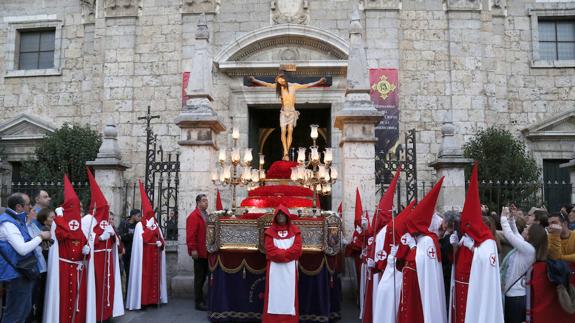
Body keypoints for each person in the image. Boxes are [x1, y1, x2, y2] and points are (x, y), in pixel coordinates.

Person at [449, 163, 504, 323]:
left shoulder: (488, 241)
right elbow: (455, 260)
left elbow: (486, 262)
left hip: (477, 288)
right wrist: (455, 246)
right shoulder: (470, 238)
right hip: (462, 283)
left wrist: (472, 247)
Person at [43, 175, 96, 323]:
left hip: (79, 269)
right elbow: (63, 235)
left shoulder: (83, 226)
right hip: (63, 269)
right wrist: (60, 218)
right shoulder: (58, 224)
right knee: (64, 298)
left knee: (79, 301)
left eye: (78, 208)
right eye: (73, 207)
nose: (77, 211)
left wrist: (88, 250)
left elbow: (85, 243)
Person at [397, 178, 446, 323]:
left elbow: (420, 265)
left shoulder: (428, 241)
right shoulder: (423, 240)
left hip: (421, 290)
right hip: (416, 288)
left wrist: (413, 248)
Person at [249, 72, 326, 160]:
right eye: (279, 82)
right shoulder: (280, 88)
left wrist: (319, 82)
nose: (281, 82)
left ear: (284, 79)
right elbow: (267, 84)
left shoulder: (293, 86)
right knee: (283, 131)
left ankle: (286, 152)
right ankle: (286, 152)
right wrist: (255, 80)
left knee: (290, 130)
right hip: (283, 113)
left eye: (281, 80)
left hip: (292, 112)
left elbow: (307, 85)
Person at [0, 193, 51, 323]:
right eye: (28, 204)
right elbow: (22, 249)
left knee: (24, 312)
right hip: (17, 273)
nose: (30, 207)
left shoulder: (16, 221)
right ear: (18, 207)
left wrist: (38, 241)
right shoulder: (8, 223)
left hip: (22, 272)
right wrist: (41, 237)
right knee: (15, 314)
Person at [85, 169, 124, 321]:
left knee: (108, 286)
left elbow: (116, 242)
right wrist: (100, 237)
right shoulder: (88, 221)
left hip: (108, 258)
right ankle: (96, 314)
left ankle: (107, 313)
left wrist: (113, 235)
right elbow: (85, 240)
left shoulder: (106, 222)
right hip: (96, 259)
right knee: (97, 287)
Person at [500, 206, 548, 323]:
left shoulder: (528, 249)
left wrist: (503, 218)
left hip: (516, 297)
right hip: (514, 295)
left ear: (533, 234)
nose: (525, 229)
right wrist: (511, 219)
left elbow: (510, 236)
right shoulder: (528, 247)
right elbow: (516, 234)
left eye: (528, 228)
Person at [126, 180, 167, 310]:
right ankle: (143, 301)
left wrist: (161, 243)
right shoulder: (139, 225)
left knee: (155, 278)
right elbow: (142, 240)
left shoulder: (155, 224)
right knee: (145, 278)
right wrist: (149, 230)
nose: (151, 217)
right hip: (144, 257)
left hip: (155, 255)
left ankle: (154, 300)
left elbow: (160, 238)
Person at [262, 205, 303, 323]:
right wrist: (285, 255)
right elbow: (269, 250)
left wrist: (282, 255)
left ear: (287, 216)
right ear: (275, 216)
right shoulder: (270, 232)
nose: (280, 217)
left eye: (283, 214)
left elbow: (297, 249)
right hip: (274, 269)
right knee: (274, 294)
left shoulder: (295, 231)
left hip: (290, 268)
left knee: (289, 295)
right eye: (278, 215)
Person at [186, 194, 209, 311]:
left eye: (207, 201)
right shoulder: (194, 216)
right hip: (199, 252)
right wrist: (193, 249)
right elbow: (190, 235)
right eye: (204, 201)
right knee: (199, 278)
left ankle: (203, 298)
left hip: (206, 252)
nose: (206, 203)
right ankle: (198, 302)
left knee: (204, 277)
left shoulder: (205, 215)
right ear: (198, 202)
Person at [25, 205, 47, 323]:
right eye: (33, 211)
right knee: (28, 300)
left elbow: (43, 241)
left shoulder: (33, 226)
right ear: (27, 213)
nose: (35, 213)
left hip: (40, 267)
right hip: (32, 267)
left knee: (36, 298)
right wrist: (41, 238)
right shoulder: (25, 227)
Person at [118, 209, 141, 279]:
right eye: (138, 216)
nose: (140, 217)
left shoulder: (138, 225)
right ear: (133, 216)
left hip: (133, 252)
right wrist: (129, 235)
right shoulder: (124, 223)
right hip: (124, 251)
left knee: (131, 272)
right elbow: (120, 236)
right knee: (122, 271)